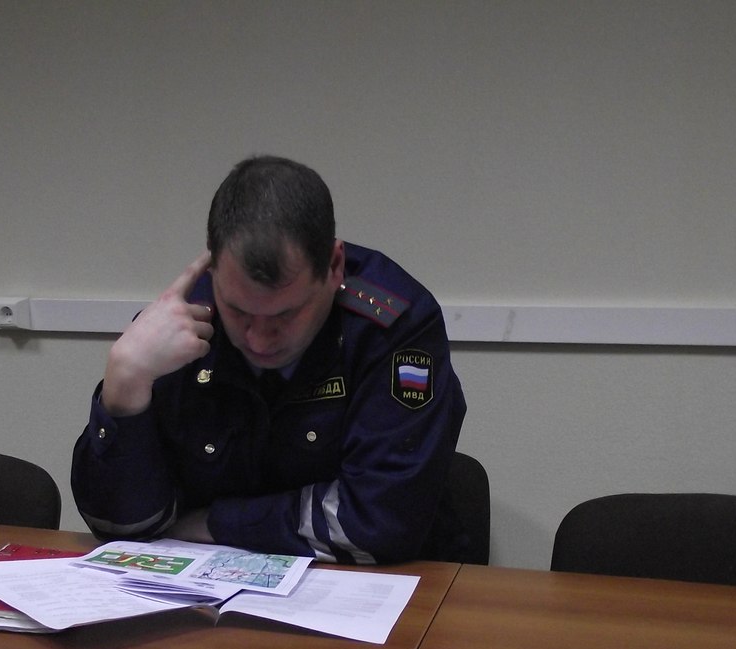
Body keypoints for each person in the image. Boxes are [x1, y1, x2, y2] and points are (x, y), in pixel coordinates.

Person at [71, 155, 466, 564]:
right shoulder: (184, 322)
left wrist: (216, 523)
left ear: (334, 267)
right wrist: (125, 385)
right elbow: (122, 528)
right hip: (207, 589)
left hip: (384, 586)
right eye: (238, 311)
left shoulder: (392, 325)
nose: (258, 339)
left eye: (285, 315)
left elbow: (380, 523)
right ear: (214, 269)